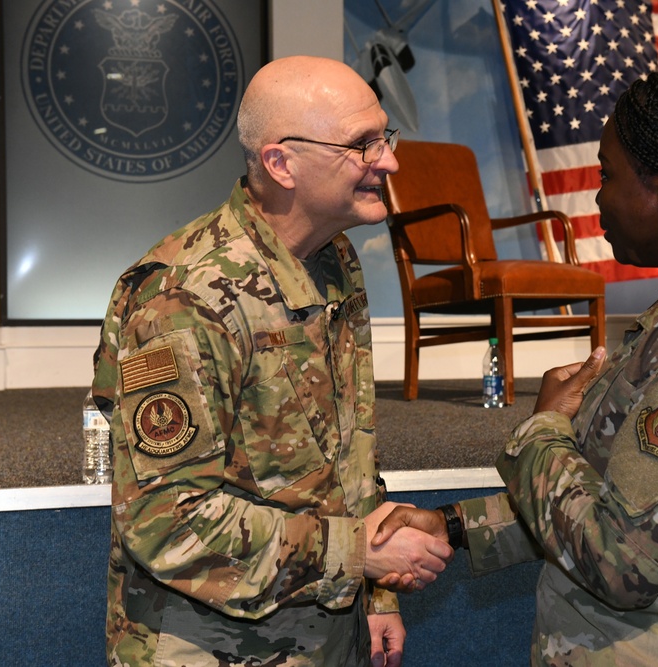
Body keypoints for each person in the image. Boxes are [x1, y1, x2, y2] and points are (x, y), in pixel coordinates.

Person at [374, 68, 658, 665]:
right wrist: (453, 527)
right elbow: (609, 496)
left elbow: (622, 559)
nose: (597, 196)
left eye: (607, 175)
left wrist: (542, 431)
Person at [90, 55, 453, 667]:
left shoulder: (334, 259)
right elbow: (166, 522)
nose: (389, 161)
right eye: (362, 145)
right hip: (207, 645)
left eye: (383, 138)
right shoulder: (183, 296)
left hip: (326, 629)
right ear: (281, 163)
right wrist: (361, 554)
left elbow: (347, 451)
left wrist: (377, 595)